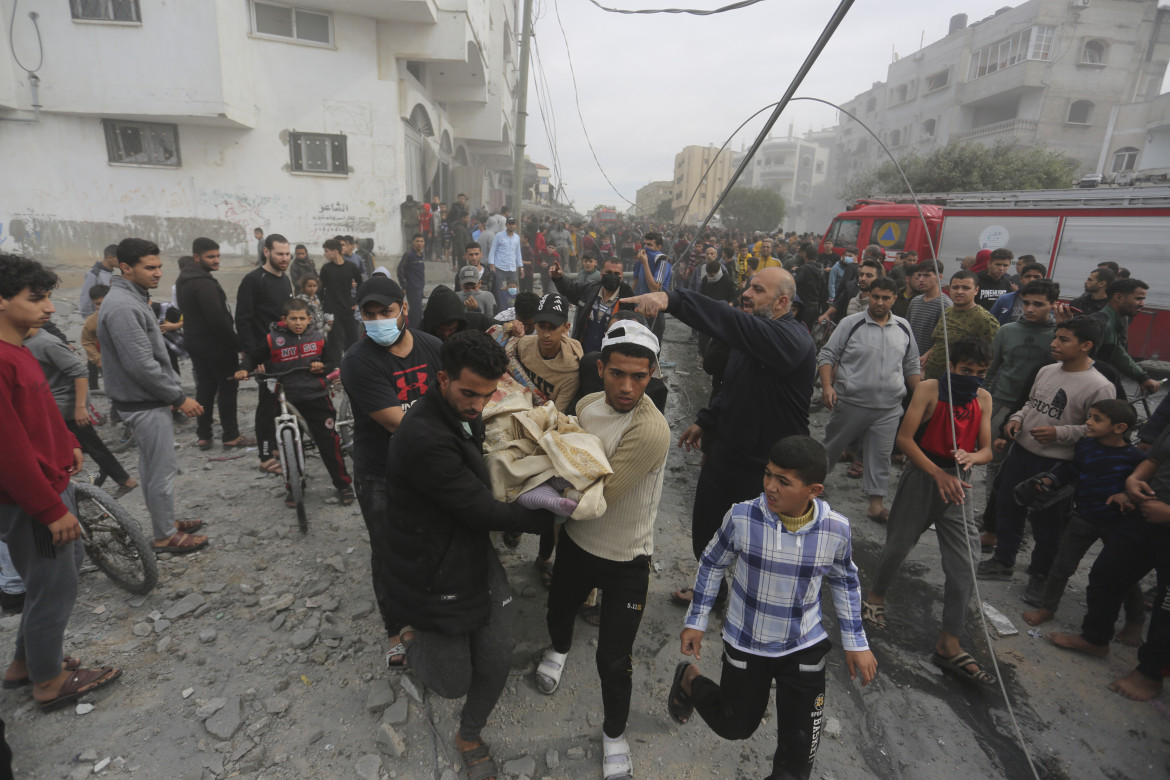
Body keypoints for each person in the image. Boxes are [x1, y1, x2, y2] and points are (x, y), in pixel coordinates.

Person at [385, 329, 554, 780]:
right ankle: (412, 637)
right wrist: (546, 516)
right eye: (468, 393)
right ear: (442, 378)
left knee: (497, 655)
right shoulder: (423, 437)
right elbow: (480, 510)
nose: (478, 406)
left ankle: (469, 733)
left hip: (473, 556)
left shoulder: (464, 413)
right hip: (433, 568)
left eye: (486, 395)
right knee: (450, 680)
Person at [669, 436, 877, 780]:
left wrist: (857, 642)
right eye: (768, 474)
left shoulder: (836, 529)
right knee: (735, 726)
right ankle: (689, 680)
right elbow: (712, 562)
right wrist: (697, 619)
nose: (770, 486)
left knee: (797, 758)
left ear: (814, 490)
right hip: (747, 640)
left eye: (784, 481)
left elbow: (845, 580)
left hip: (803, 645)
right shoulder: (742, 517)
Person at [621, 268, 817, 607]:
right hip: (726, 454)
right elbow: (730, 388)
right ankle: (713, 591)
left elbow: (731, 322)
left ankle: (754, 608)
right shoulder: (746, 343)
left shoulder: (792, 340)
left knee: (760, 549)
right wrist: (706, 422)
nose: (746, 293)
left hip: (768, 470)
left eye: (758, 290)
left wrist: (673, 299)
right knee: (707, 534)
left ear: (783, 302)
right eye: (748, 287)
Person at [535, 321, 671, 780]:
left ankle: (614, 734)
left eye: (639, 376)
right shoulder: (589, 406)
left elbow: (595, 499)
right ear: (601, 368)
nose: (627, 386)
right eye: (617, 374)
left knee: (614, 659)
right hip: (577, 545)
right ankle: (558, 649)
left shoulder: (651, 431)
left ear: (652, 373)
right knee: (558, 611)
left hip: (626, 559)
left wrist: (535, 495)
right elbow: (568, 452)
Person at [0, 252, 124, 711]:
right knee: (55, 586)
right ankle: (49, 682)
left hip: (50, 483)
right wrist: (50, 509)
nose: (50, 308)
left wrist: (67, 442)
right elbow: (7, 451)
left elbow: (35, 414)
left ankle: (25, 664)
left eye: (49, 297)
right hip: (33, 499)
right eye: (37, 299)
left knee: (49, 581)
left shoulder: (23, 347)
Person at [862, 338, 996, 686]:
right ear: (952, 366)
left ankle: (949, 642)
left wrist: (970, 459)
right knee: (899, 543)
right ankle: (875, 595)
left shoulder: (983, 398)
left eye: (981, 373)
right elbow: (905, 440)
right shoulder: (928, 389)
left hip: (958, 485)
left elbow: (986, 450)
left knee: (965, 561)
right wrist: (936, 472)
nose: (974, 378)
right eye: (967, 371)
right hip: (924, 475)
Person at [340, 277, 443, 666]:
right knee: (388, 549)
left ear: (404, 307)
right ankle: (395, 627)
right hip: (381, 472)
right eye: (370, 314)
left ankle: (431, 608)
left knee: (430, 540)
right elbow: (398, 422)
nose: (379, 320)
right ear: (360, 316)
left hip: (428, 465)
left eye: (386, 311)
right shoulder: (358, 361)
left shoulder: (433, 348)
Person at [978, 317, 1117, 601]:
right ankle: (1004, 561)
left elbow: (1099, 429)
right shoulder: (1046, 370)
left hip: (1057, 465)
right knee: (1008, 506)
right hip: (1023, 453)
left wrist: (1060, 432)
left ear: (1086, 346)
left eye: (1064, 339)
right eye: (1056, 337)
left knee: (1048, 522)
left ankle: (1040, 575)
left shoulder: (1099, 386)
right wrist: (1016, 419)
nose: (1054, 343)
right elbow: (1031, 403)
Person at [98, 238, 209, 554]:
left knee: (150, 468)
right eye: (150, 267)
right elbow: (141, 365)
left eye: (159, 266)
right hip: (144, 401)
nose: (158, 273)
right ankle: (164, 537)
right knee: (162, 470)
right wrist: (177, 397)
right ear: (126, 268)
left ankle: (166, 522)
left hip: (143, 399)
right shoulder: (122, 305)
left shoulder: (131, 298)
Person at [1045, 423, 1170, 703]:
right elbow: (1154, 459)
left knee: (1166, 609)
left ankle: (1150, 674)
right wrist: (1133, 481)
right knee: (1106, 574)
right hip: (1146, 515)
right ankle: (1095, 637)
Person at [1020, 399, 1146, 640]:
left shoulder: (1134, 458)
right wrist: (1050, 480)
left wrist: (1127, 495)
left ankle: (1135, 620)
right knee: (1061, 566)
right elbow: (1072, 470)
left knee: (1124, 575)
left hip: (1117, 523)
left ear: (1119, 428)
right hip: (1083, 516)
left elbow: (1144, 485)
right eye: (1090, 416)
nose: (1088, 422)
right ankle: (1047, 608)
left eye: (1097, 419)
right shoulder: (1086, 445)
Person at [818, 277, 921, 522]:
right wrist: (826, 387)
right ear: (869, 296)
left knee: (880, 456)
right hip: (851, 403)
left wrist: (920, 396)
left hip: (888, 408)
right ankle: (809, 488)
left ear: (894, 298)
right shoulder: (851, 323)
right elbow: (828, 354)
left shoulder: (903, 327)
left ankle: (876, 506)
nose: (880, 302)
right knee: (830, 448)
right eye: (875, 297)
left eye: (886, 298)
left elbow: (911, 364)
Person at [234, 298, 353, 507]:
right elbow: (254, 357)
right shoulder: (273, 340)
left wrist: (322, 367)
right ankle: (294, 486)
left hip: (316, 396)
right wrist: (244, 368)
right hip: (286, 399)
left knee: (329, 443)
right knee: (287, 443)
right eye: (293, 318)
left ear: (309, 319)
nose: (298, 322)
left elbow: (332, 362)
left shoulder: (319, 338)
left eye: (302, 318)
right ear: (284, 319)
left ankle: (344, 485)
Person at [980, 279, 1063, 547]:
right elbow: (991, 370)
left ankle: (1019, 521)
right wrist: (982, 400)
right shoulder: (1006, 331)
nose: (1029, 309)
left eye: (1038, 304)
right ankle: (993, 518)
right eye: (1026, 303)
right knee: (995, 463)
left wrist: (1063, 327)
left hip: (1040, 408)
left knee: (1031, 466)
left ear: (1052, 305)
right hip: (1002, 403)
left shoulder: (1060, 334)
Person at [25, 319, 140, 499]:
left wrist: (80, 408)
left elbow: (79, 372)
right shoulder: (24, 343)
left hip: (65, 408)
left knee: (91, 447)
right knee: (90, 448)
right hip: (53, 408)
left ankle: (123, 480)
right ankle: (107, 479)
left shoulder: (46, 343)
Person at [176, 237, 251, 451]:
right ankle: (231, 436)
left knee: (206, 388)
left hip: (195, 342)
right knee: (228, 387)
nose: (216, 260)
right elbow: (217, 319)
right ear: (197, 257)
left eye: (218, 256)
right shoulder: (202, 283)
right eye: (211, 257)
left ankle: (204, 435)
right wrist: (238, 345)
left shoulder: (185, 278)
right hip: (216, 345)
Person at [236, 233, 295, 474]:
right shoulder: (253, 280)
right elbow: (243, 320)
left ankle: (279, 446)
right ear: (266, 252)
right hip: (264, 355)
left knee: (285, 401)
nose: (284, 258)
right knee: (267, 404)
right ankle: (264, 456)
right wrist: (252, 357)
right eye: (279, 253)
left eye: (287, 254)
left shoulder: (285, 280)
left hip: (286, 354)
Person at [500, 292, 583, 413]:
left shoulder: (571, 373)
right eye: (542, 326)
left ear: (566, 327)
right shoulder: (524, 345)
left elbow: (556, 413)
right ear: (535, 324)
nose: (546, 334)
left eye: (552, 327)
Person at [922, 270, 999, 379]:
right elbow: (942, 341)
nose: (959, 291)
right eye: (955, 287)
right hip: (932, 378)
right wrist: (927, 355)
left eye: (966, 288)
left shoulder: (984, 319)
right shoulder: (947, 311)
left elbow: (992, 356)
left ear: (976, 290)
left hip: (958, 383)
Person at [1091, 278, 1162, 395]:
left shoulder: (1116, 321)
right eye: (1138, 299)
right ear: (1118, 297)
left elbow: (1118, 353)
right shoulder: (1101, 324)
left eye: (1143, 299)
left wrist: (1142, 377)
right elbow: (1084, 362)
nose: (1142, 304)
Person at [551, 255, 633, 354]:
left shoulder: (628, 302)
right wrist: (559, 278)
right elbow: (571, 289)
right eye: (608, 272)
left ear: (622, 276)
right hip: (583, 354)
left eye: (616, 273)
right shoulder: (590, 291)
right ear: (601, 274)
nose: (612, 276)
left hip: (610, 358)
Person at [319, 238, 362, 355]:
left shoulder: (351, 267)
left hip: (347, 308)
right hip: (331, 310)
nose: (325, 254)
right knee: (336, 340)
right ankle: (336, 366)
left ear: (335, 251)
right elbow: (320, 289)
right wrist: (321, 307)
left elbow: (361, 284)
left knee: (353, 338)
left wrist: (355, 301)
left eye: (327, 251)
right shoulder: (326, 269)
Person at [905, 261, 952, 357]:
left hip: (929, 361)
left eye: (926, 275)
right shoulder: (915, 301)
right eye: (919, 275)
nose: (921, 279)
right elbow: (906, 329)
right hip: (909, 358)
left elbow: (944, 340)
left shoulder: (945, 304)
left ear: (940, 277)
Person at [632, 231, 672, 342]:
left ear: (658, 247)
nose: (646, 248)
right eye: (644, 244)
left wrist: (645, 263)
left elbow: (655, 288)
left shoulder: (662, 261)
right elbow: (636, 281)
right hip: (639, 308)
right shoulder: (642, 258)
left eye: (649, 245)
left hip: (654, 310)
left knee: (652, 344)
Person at [487, 217, 522, 310]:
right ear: (506, 224)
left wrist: (521, 266)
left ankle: (512, 309)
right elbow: (493, 250)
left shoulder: (517, 238)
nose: (511, 225)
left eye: (513, 223)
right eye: (509, 223)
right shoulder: (499, 236)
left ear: (515, 225)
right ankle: (498, 309)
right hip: (500, 267)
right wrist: (491, 264)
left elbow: (518, 253)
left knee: (513, 290)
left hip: (512, 268)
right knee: (497, 289)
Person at [79, 244, 118, 318]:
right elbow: (86, 299)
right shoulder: (93, 274)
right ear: (109, 258)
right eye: (118, 258)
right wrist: (90, 320)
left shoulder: (114, 273)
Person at [397, 233, 427, 328]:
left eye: (421, 241)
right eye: (417, 241)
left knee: (417, 312)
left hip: (419, 288)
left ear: (424, 243)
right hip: (412, 288)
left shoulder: (421, 255)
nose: (419, 243)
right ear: (413, 243)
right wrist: (404, 286)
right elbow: (400, 269)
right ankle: (412, 331)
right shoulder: (409, 255)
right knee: (416, 312)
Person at [80, 284, 107, 393]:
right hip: (104, 359)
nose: (101, 307)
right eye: (97, 304)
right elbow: (87, 342)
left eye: (104, 303)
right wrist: (97, 359)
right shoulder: (92, 321)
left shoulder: (123, 315)